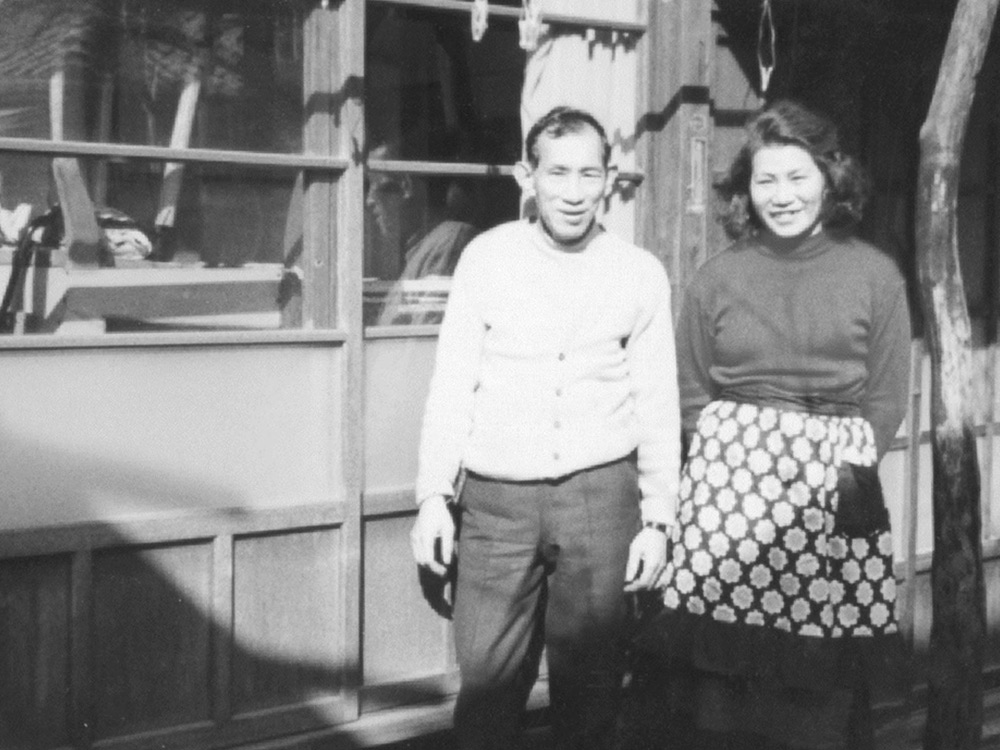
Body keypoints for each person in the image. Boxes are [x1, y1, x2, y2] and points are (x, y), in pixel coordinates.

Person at [632, 99, 912, 750]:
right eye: (766, 180)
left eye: (797, 176)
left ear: (829, 179)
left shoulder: (873, 277)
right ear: (746, 191)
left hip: (833, 488)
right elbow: (693, 384)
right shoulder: (716, 278)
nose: (782, 195)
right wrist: (732, 458)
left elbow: (889, 391)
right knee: (721, 691)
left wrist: (842, 466)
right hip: (732, 493)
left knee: (818, 686)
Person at [409, 105, 681, 750]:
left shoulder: (638, 271)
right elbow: (451, 385)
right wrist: (431, 498)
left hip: (600, 500)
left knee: (591, 698)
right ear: (525, 176)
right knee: (487, 690)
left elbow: (657, 402)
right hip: (497, 504)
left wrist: (660, 519)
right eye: (557, 172)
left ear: (609, 178)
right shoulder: (487, 258)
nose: (574, 191)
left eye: (590, 173)